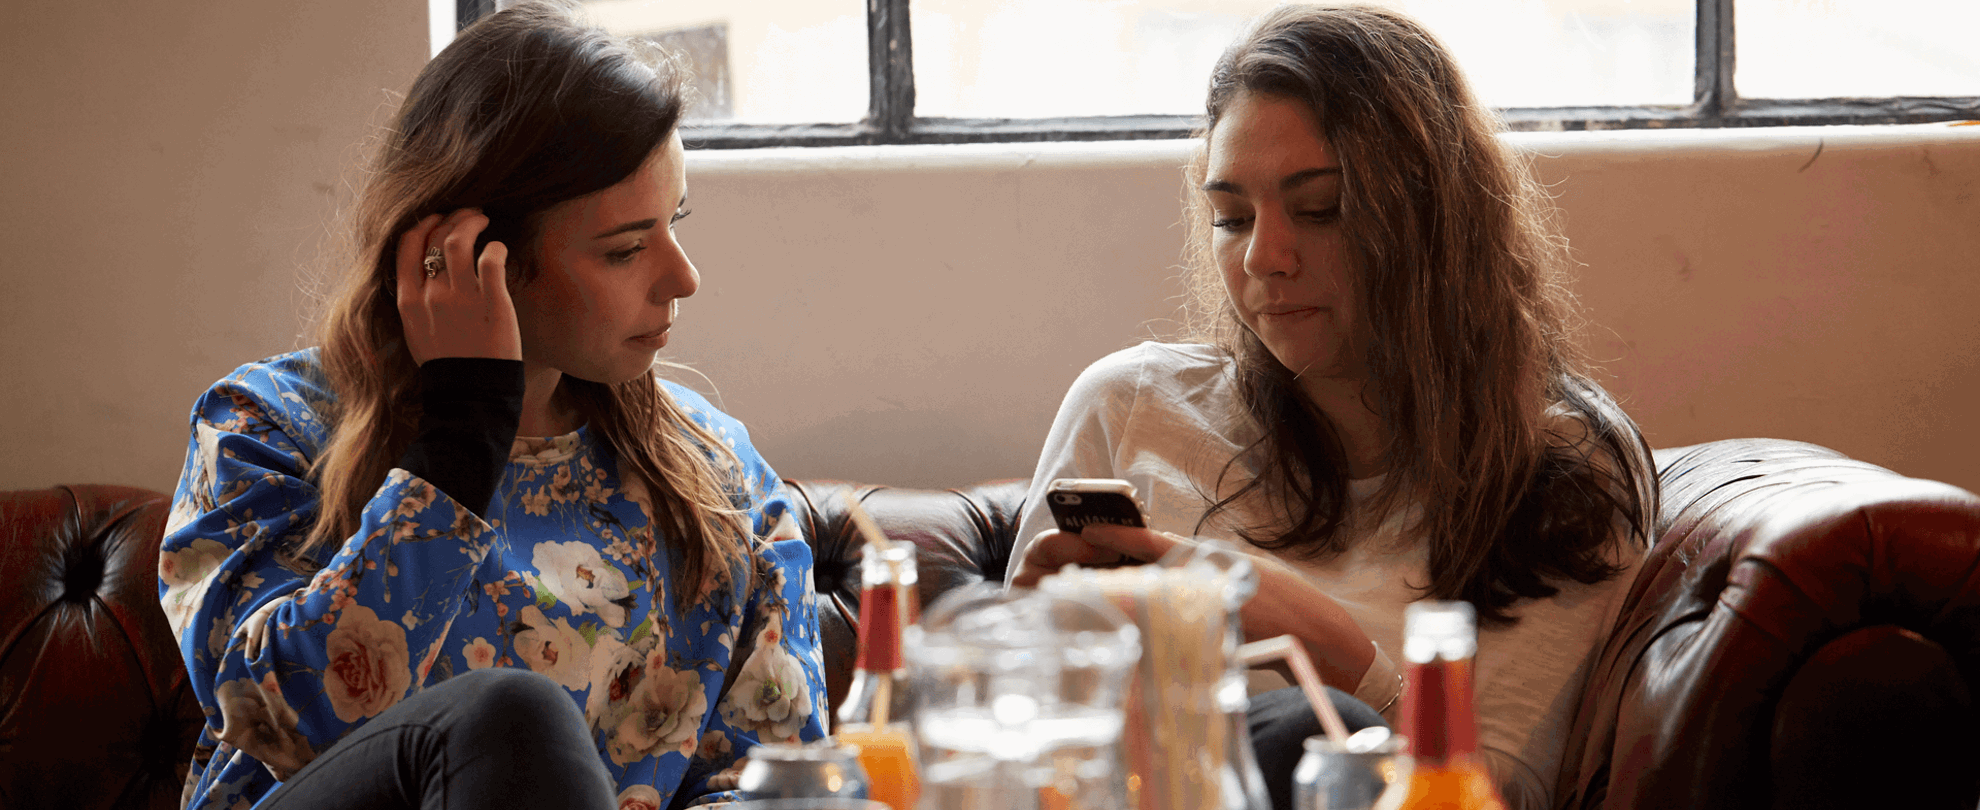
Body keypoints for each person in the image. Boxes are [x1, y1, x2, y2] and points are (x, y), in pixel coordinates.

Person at [157, 3, 827, 808]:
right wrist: (462, 433)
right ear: (474, 258)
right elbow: (270, 721)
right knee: (511, 714)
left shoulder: (721, 477)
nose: (683, 279)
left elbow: (779, 783)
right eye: (624, 249)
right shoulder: (261, 430)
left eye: (674, 222)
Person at [1006, 6, 1657, 810]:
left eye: (1320, 209)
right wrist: (1035, 652)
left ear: (1431, 219)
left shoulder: (1561, 470)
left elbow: (1494, 795)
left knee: (1307, 734)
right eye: (1232, 217)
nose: (1263, 257)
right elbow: (1014, 763)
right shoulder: (1128, 407)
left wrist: (1324, 644)